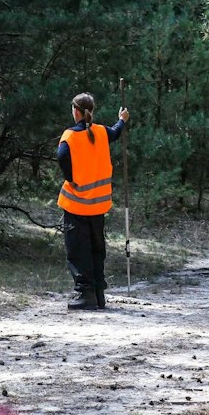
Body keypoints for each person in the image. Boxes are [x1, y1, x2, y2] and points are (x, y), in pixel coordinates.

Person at [56, 92, 128, 310]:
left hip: (76, 204)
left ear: (75, 111)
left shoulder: (70, 136)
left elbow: (61, 156)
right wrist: (122, 119)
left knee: (78, 250)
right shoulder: (102, 132)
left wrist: (70, 177)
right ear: (91, 111)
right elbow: (116, 132)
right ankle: (98, 293)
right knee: (97, 248)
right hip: (98, 205)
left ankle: (85, 294)